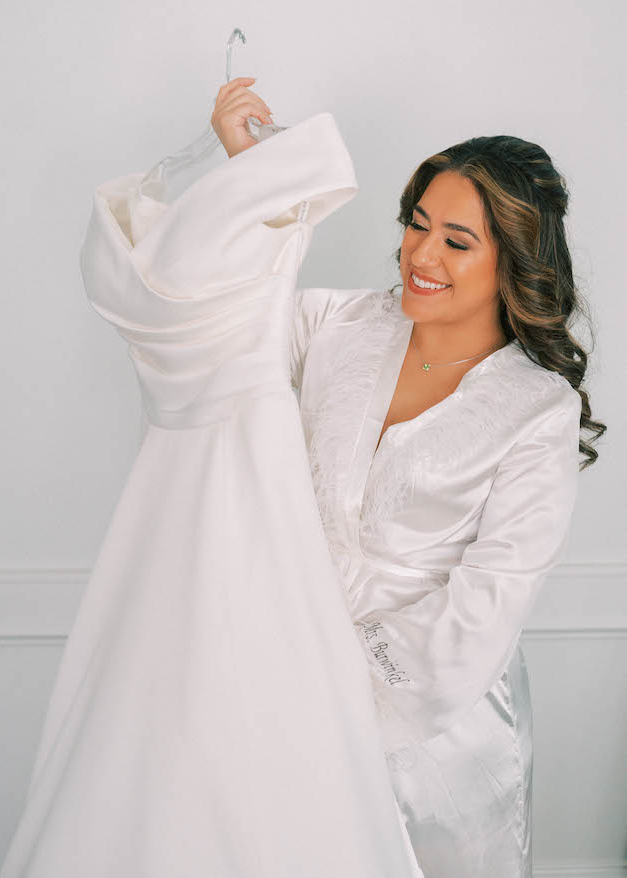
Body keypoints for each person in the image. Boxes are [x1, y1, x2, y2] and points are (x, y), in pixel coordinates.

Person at [212, 78, 606, 877]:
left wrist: (337, 687)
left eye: (457, 242)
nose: (420, 256)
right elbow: (223, 322)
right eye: (416, 224)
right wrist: (248, 175)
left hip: (437, 745)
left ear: (513, 261)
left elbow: (485, 606)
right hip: (279, 683)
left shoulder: (537, 411)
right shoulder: (338, 324)